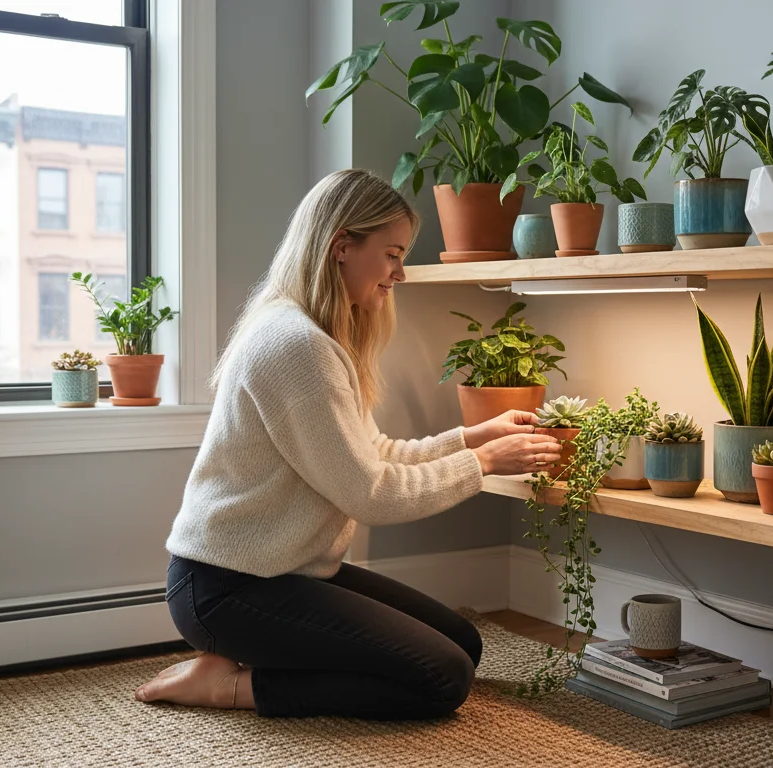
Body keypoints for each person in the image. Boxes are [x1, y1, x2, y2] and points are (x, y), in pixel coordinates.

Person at [134, 169, 562, 719]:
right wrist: (481, 463)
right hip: (228, 589)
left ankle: (238, 660)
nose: (399, 273)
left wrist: (469, 437)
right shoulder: (297, 347)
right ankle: (232, 686)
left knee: (465, 644)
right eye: (391, 254)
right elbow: (372, 494)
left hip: (283, 570)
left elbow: (371, 453)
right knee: (442, 678)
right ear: (342, 247)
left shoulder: (312, 334)